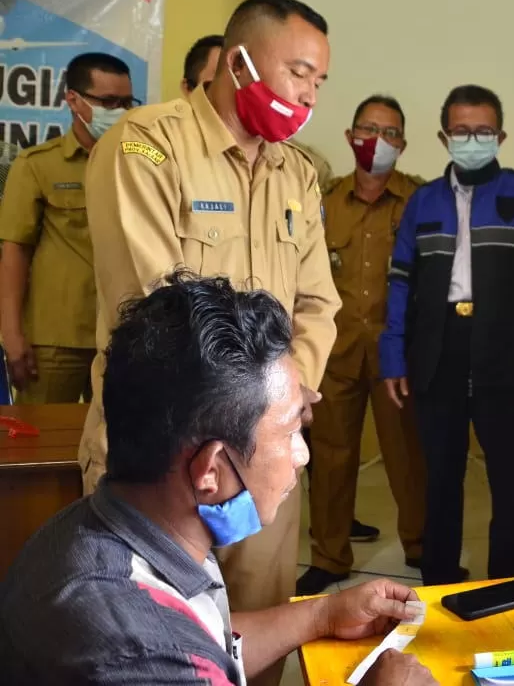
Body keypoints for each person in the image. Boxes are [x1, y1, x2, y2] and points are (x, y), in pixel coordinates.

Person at [81, 0, 342, 686]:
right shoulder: (142, 143)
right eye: (299, 73)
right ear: (238, 62)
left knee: (258, 634)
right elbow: (157, 309)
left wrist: (289, 394)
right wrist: (262, 400)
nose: (310, 94)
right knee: (151, 639)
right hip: (162, 453)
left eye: (319, 81)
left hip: (265, 459)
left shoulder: (297, 172)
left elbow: (319, 301)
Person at [0, 272, 437, 685]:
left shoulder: (120, 524)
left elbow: (203, 639)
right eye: (289, 433)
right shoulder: (141, 656)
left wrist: (324, 615)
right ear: (210, 470)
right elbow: (173, 653)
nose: (301, 455)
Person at [381, 84, 514, 586]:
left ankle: (508, 582)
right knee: (440, 478)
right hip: (437, 348)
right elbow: (399, 285)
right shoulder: (422, 203)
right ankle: (439, 582)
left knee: (509, 478)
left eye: (483, 131)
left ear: (500, 135)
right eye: (461, 131)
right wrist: (393, 357)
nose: (472, 139)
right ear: (444, 138)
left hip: (503, 350)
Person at [297, 95, 429, 596]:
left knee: (408, 458)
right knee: (329, 460)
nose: (378, 141)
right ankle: (329, 555)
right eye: (368, 129)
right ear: (351, 136)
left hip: (399, 356)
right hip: (335, 353)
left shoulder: (420, 201)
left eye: (390, 132)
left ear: (403, 144)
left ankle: (420, 546)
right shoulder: (323, 200)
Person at [0, 52, 135, 403]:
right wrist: (11, 334)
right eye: (108, 101)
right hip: (54, 341)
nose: (119, 110)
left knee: (115, 447)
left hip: (122, 336)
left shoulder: (140, 165)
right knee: (39, 444)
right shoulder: (37, 166)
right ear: (73, 100)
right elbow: (14, 251)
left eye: (126, 102)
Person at [182, 32, 339, 191]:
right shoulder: (168, 148)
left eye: (317, 84)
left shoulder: (305, 168)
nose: (311, 99)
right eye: (214, 86)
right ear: (188, 89)